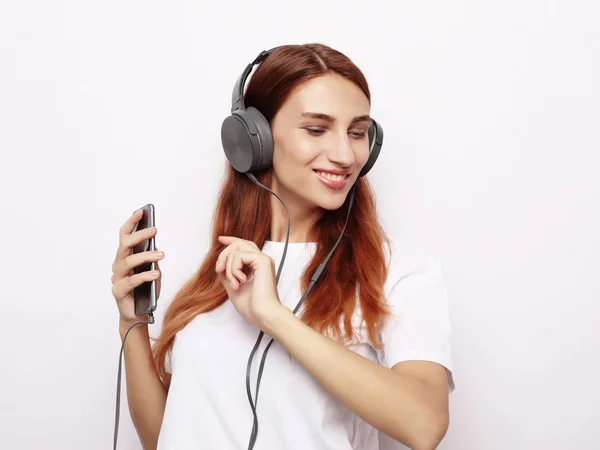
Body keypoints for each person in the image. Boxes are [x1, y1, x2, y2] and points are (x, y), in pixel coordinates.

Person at [111, 43, 454, 450]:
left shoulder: (399, 271)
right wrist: (132, 323)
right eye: (316, 129)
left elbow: (424, 424)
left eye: (358, 132)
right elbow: (162, 438)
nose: (345, 154)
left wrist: (274, 316)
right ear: (254, 139)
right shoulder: (222, 269)